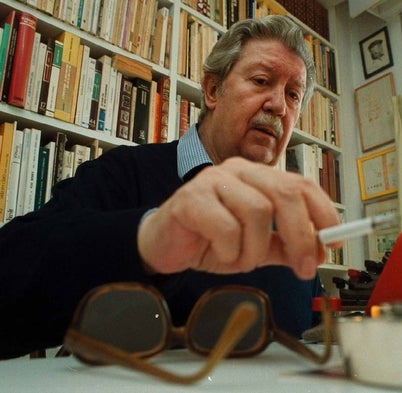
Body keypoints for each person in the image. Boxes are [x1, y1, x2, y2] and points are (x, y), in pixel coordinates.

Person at [0, 15, 342, 359]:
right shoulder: (123, 173)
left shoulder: (292, 225)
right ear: (212, 90)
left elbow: (310, 337)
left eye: (293, 95)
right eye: (261, 80)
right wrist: (147, 237)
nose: (279, 106)